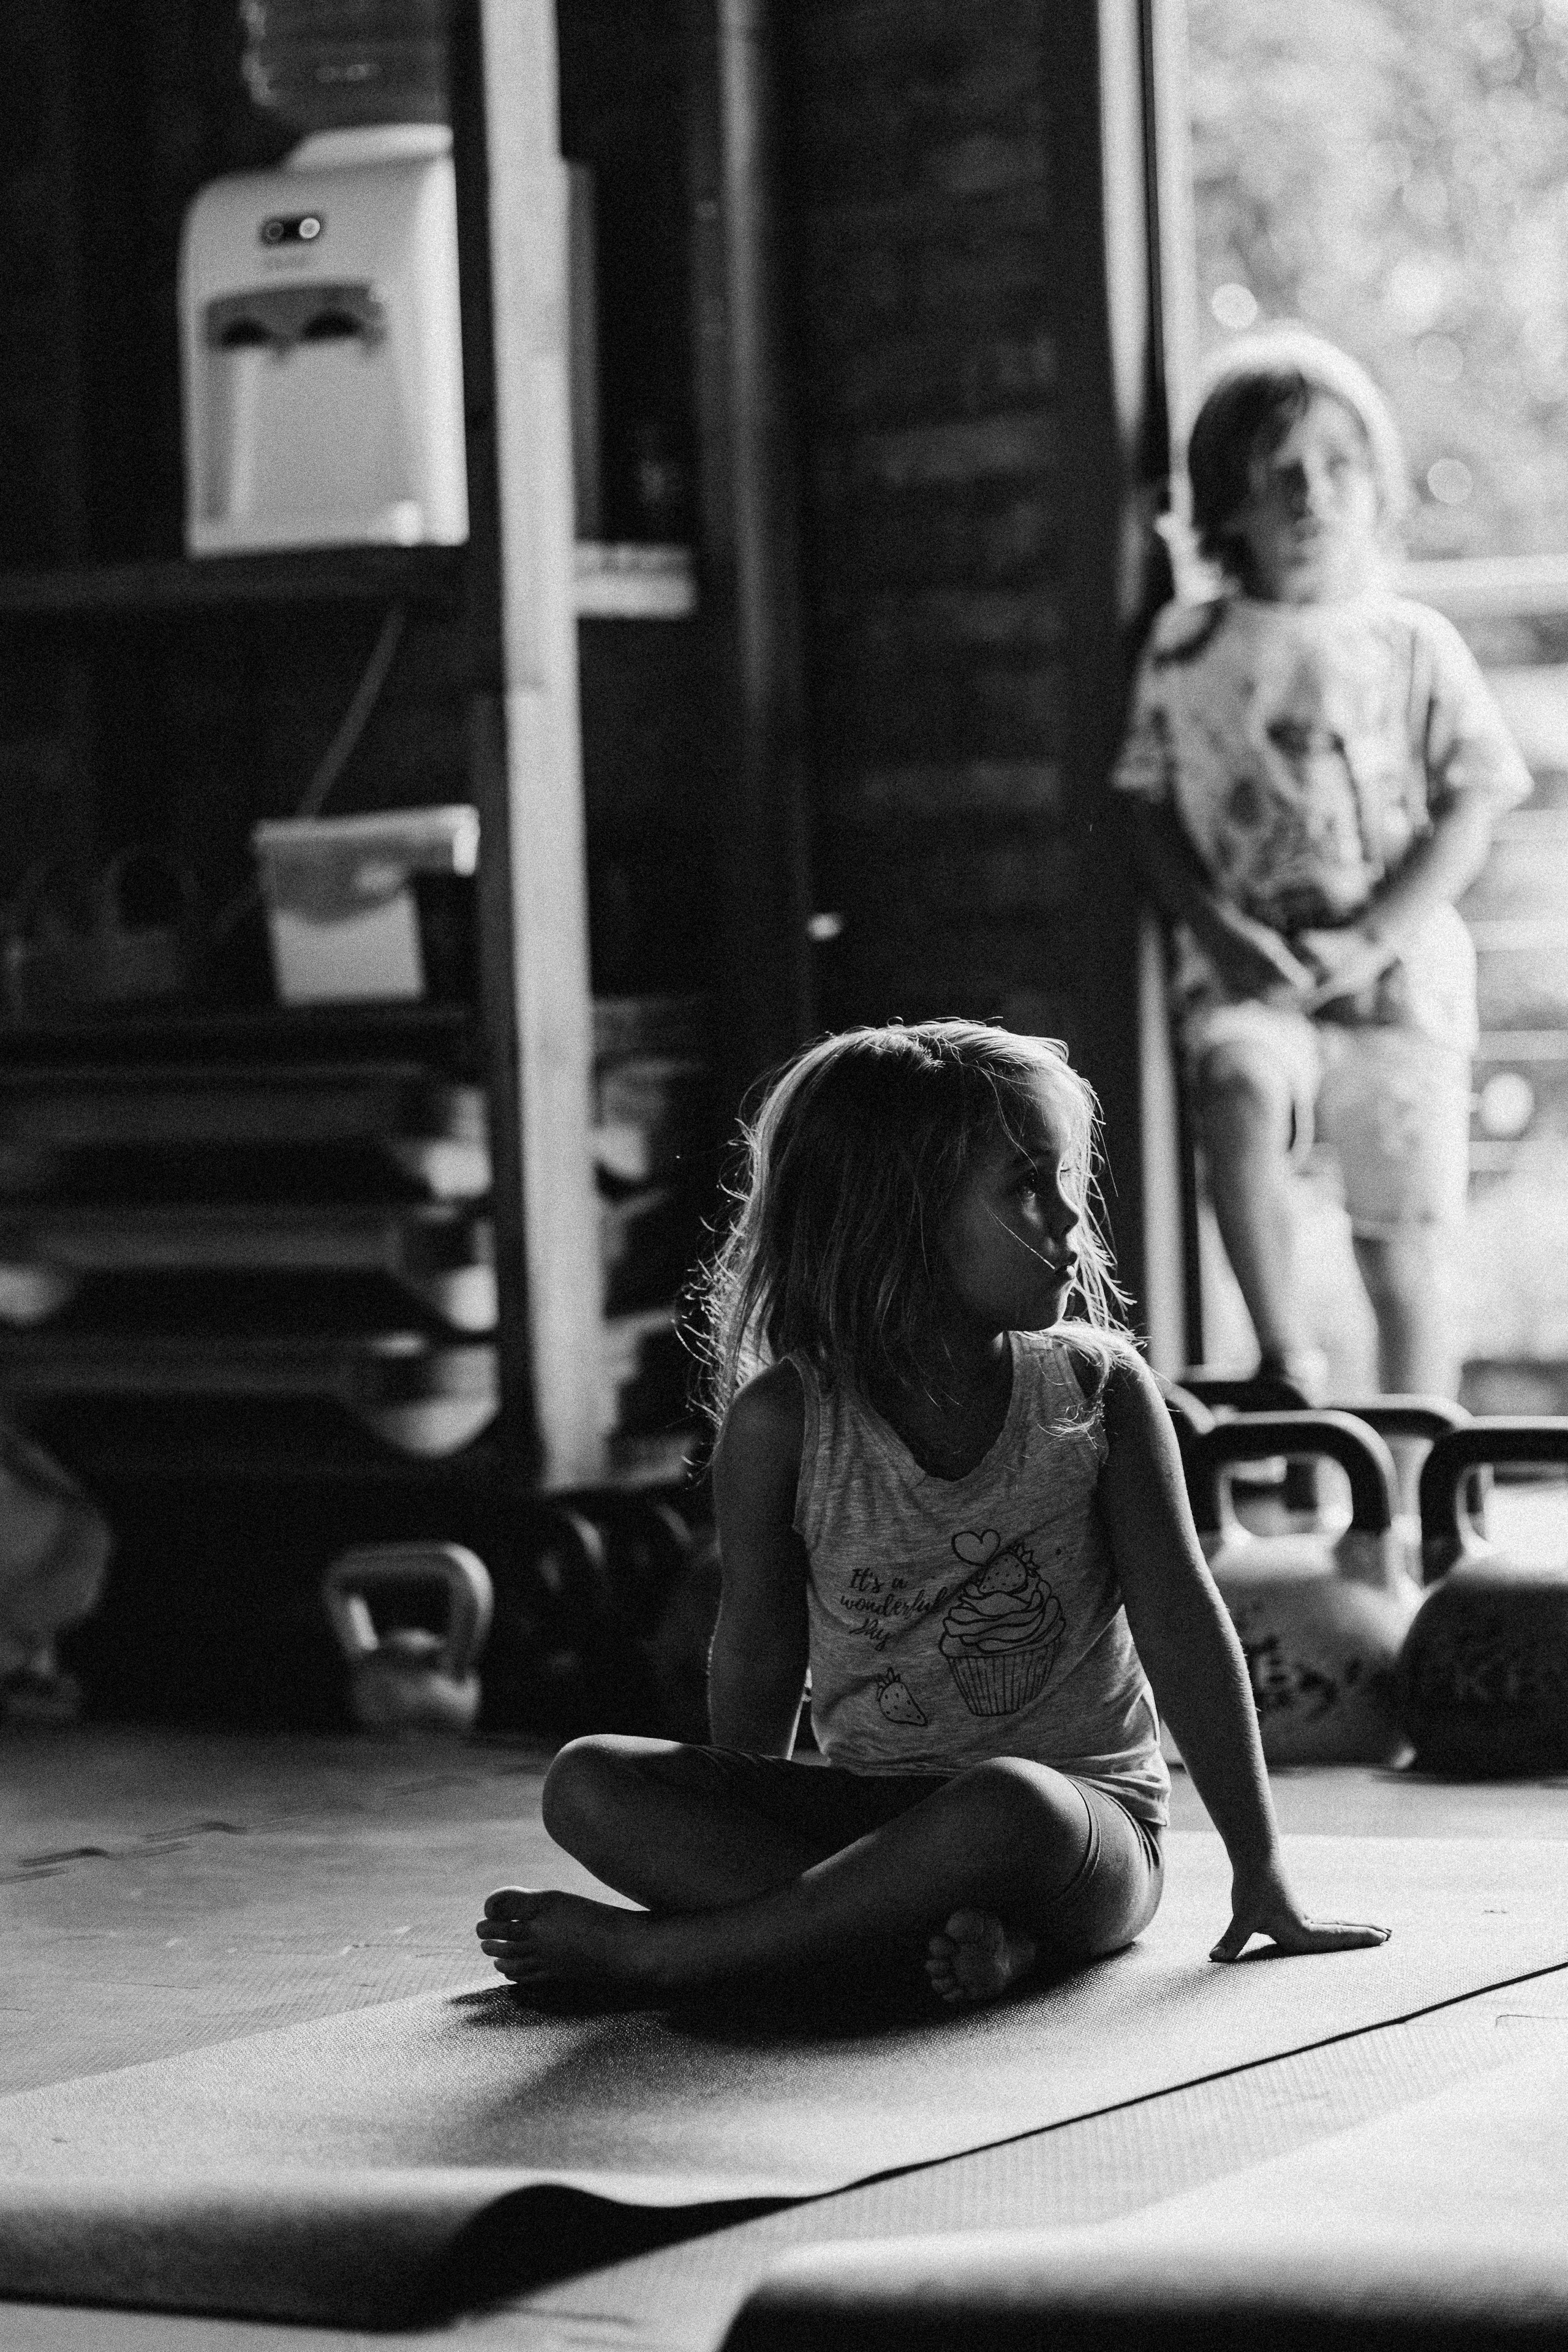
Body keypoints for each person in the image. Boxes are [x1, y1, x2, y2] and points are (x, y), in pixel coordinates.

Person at [477, 1020, 1387, 2013]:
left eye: (1065, 1179)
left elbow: (1183, 1626)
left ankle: (687, 1957)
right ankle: (929, 1948)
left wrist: (1261, 1867)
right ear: (897, 1221)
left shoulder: (1097, 1390)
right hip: (873, 1825)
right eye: (1024, 1187)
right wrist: (739, 1805)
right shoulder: (785, 1422)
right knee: (587, 1781)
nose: (1070, 1221)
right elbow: (758, 1649)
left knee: (1005, 1800)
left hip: (1078, 1833)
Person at [1116, 327, 1532, 1402]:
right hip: (1257, 977)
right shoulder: (1185, 649)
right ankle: (1284, 1355)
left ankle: (1409, 1501)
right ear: (1227, 500)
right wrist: (1216, 931)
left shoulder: (1413, 644)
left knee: (1402, 1251)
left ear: (1375, 485)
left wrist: (1374, 936)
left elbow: (1472, 802)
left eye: (1338, 467)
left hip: (1396, 990)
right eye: (1278, 474)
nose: (1311, 497)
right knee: (1238, 1090)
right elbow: (1147, 804)